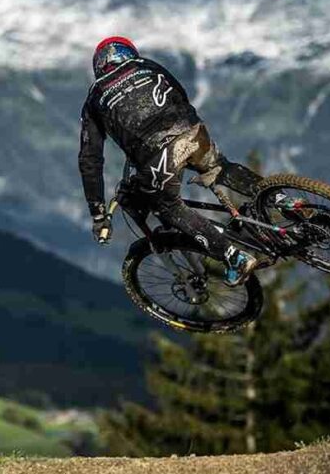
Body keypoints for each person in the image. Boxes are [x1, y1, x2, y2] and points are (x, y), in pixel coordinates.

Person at [77, 36, 264, 286]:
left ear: (100, 65)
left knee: (168, 207)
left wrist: (98, 212)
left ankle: (235, 258)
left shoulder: (94, 97)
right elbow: (179, 94)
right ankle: (282, 199)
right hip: (191, 130)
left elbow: (90, 159)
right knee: (221, 168)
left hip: (156, 154)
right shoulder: (147, 65)